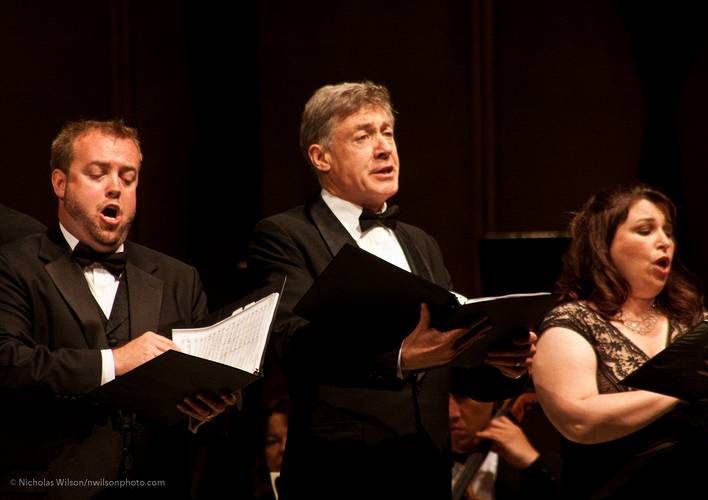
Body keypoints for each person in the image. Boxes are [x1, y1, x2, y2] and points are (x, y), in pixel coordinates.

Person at [247, 81, 534, 499]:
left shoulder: (421, 243)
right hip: (341, 476)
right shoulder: (286, 235)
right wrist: (397, 359)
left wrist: (504, 365)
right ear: (320, 157)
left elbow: (448, 361)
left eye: (387, 132)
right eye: (363, 136)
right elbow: (290, 341)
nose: (384, 148)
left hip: (426, 473)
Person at [0, 120, 234, 499]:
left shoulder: (179, 277)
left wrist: (205, 410)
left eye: (128, 177)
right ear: (60, 183)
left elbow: (202, 385)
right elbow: (9, 363)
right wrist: (116, 362)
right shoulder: (14, 265)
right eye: (98, 173)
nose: (115, 187)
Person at [532, 183, 708, 498]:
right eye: (645, 230)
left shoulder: (689, 318)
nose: (664, 242)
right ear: (603, 243)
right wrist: (682, 388)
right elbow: (579, 421)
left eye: (669, 231)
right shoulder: (571, 322)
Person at [449, 386, 559, 499]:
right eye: (442, 400)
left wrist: (533, 462)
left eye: (462, 397)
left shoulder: (547, 456)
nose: (452, 414)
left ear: (493, 399)